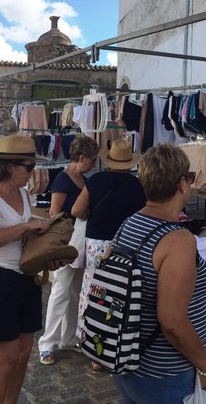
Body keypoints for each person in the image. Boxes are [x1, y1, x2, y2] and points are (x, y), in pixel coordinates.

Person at [112, 144, 206, 403]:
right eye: (191, 178)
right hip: (165, 373)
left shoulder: (129, 223)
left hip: (129, 362)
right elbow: (171, 321)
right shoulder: (177, 239)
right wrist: (205, 363)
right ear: (182, 183)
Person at [0, 134, 68, 404]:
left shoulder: (24, 194)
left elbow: (25, 240)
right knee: (3, 362)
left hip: (26, 279)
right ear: (9, 166)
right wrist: (26, 226)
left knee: (23, 356)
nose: (32, 173)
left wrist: (47, 251)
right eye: (29, 167)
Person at [71, 136, 146, 373]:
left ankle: (90, 346)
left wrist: (90, 215)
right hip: (125, 245)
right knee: (117, 298)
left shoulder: (95, 181)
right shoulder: (137, 185)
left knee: (92, 292)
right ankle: (112, 347)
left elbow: (76, 210)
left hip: (96, 245)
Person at [38, 135, 100, 366]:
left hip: (80, 241)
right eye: (92, 159)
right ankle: (47, 343)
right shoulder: (64, 180)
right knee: (61, 290)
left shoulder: (81, 179)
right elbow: (55, 213)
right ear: (81, 157)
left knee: (74, 291)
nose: (94, 164)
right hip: (68, 241)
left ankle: (69, 336)